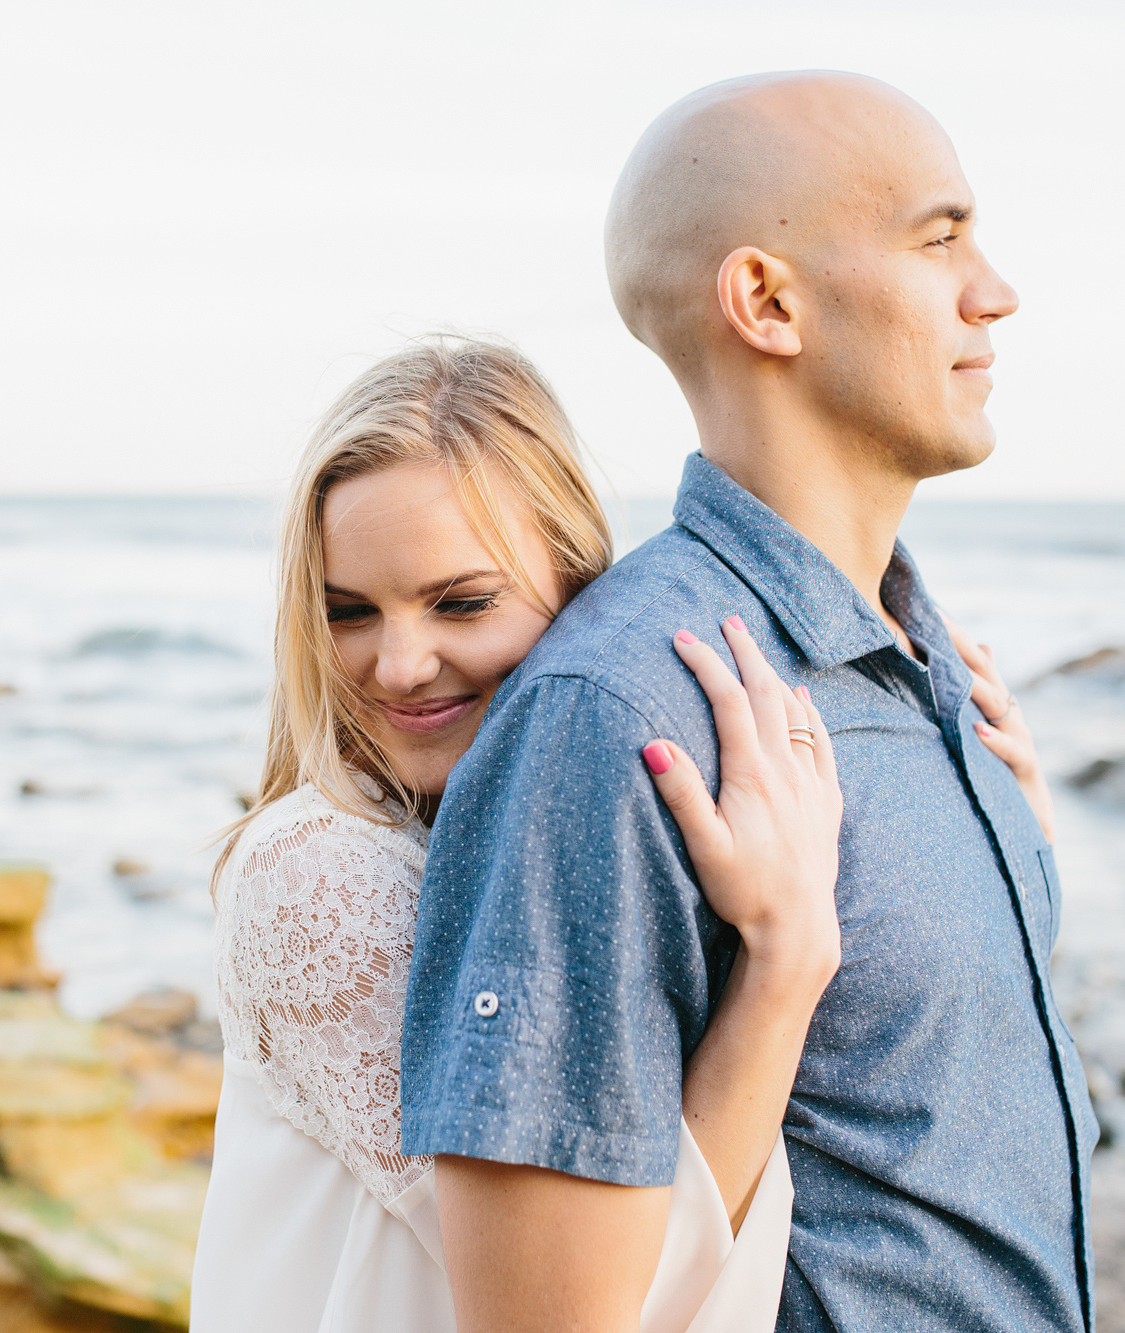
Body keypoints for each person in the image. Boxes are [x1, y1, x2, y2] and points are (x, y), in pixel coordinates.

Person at [401, 72, 1094, 1333]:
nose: (992, 289)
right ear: (766, 301)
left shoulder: (932, 674)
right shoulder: (620, 714)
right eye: (939, 238)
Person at [190, 338, 845, 1332]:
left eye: (461, 602)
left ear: (582, 590)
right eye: (348, 611)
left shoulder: (499, 846)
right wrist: (786, 960)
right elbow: (596, 1306)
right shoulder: (319, 867)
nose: (401, 664)